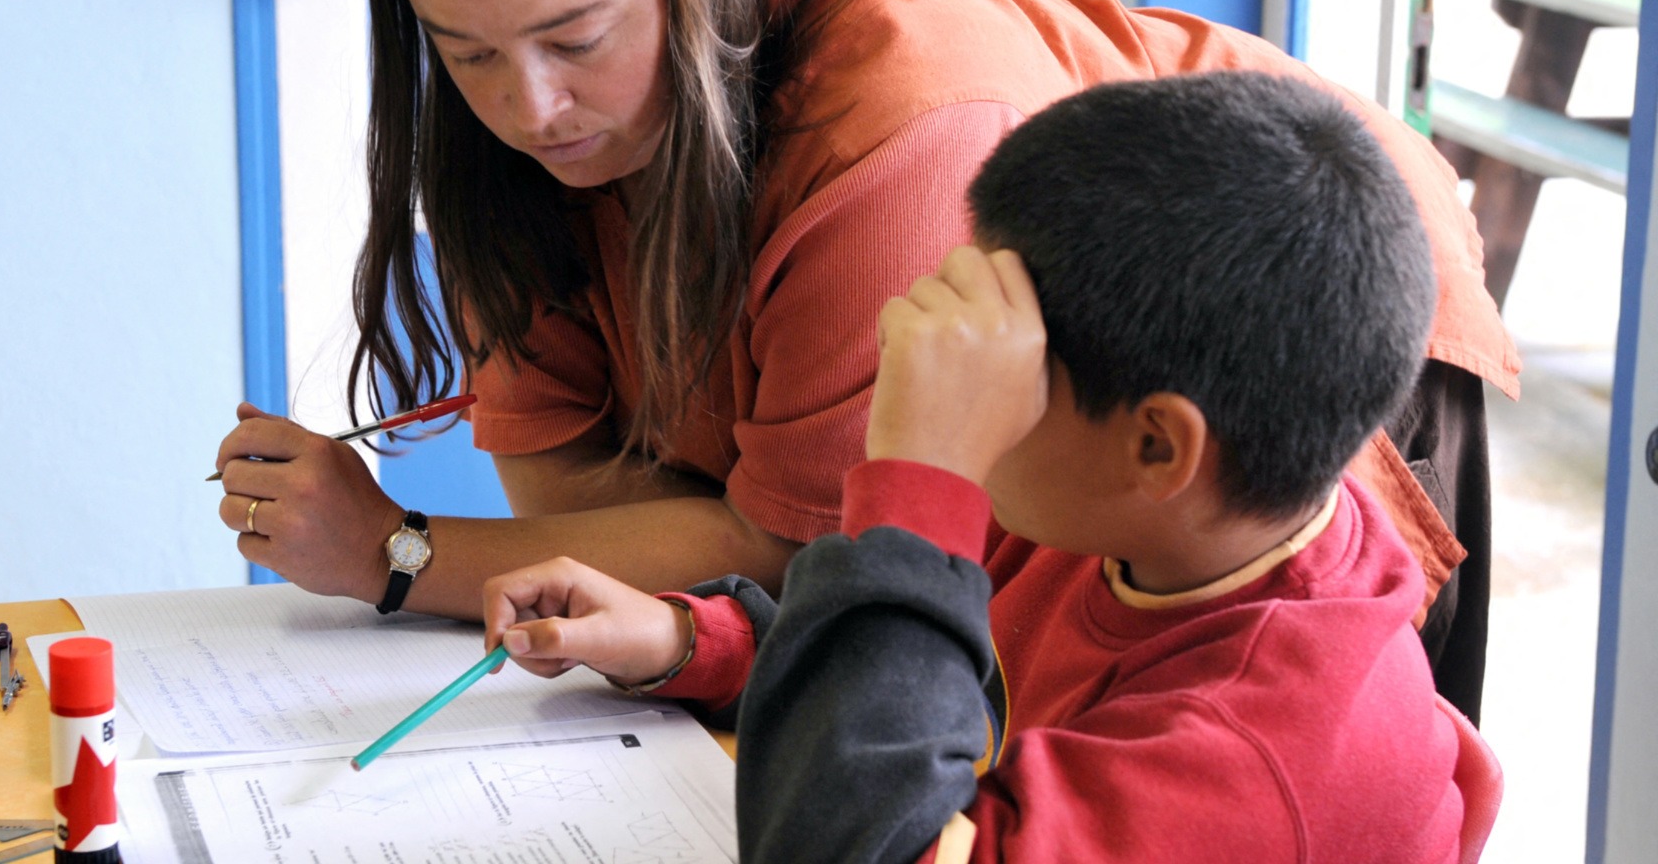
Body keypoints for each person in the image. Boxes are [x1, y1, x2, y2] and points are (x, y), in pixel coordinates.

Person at [209, 0, 1516, 719]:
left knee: (1234, 750)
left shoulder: (895, 132)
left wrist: (398, 554)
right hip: (1030, 487)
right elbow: (590, 512)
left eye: (576, 41)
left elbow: (807, 561)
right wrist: (691, 582)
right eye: (469, 53)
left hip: (1293, 311)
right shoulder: (522, 143)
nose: (526, 107)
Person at [480, 71, 1503, 863]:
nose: (923, 345)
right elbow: (927, 676)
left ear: (1156, 445)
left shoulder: (1258, 753)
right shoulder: (1139, 517)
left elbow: (853, 838)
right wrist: (684, 639)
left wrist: (923, 477)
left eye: (1002, 363)